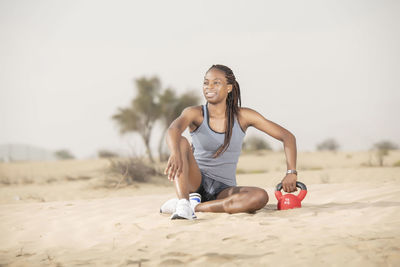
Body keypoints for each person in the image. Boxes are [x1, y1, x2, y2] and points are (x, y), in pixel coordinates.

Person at [161, 64, 298, 220]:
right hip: (195, 181)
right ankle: (184, 203)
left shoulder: (244, 116)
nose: (209, 87)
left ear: (229, 88)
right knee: (181, 141)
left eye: (216, 82)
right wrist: (175, 152)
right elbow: (173, 129)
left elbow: (287, 136)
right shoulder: (195, 113)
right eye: (206, 82)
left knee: (259, 197)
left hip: (224, 190)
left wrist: (291, 172)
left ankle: (194, 206)